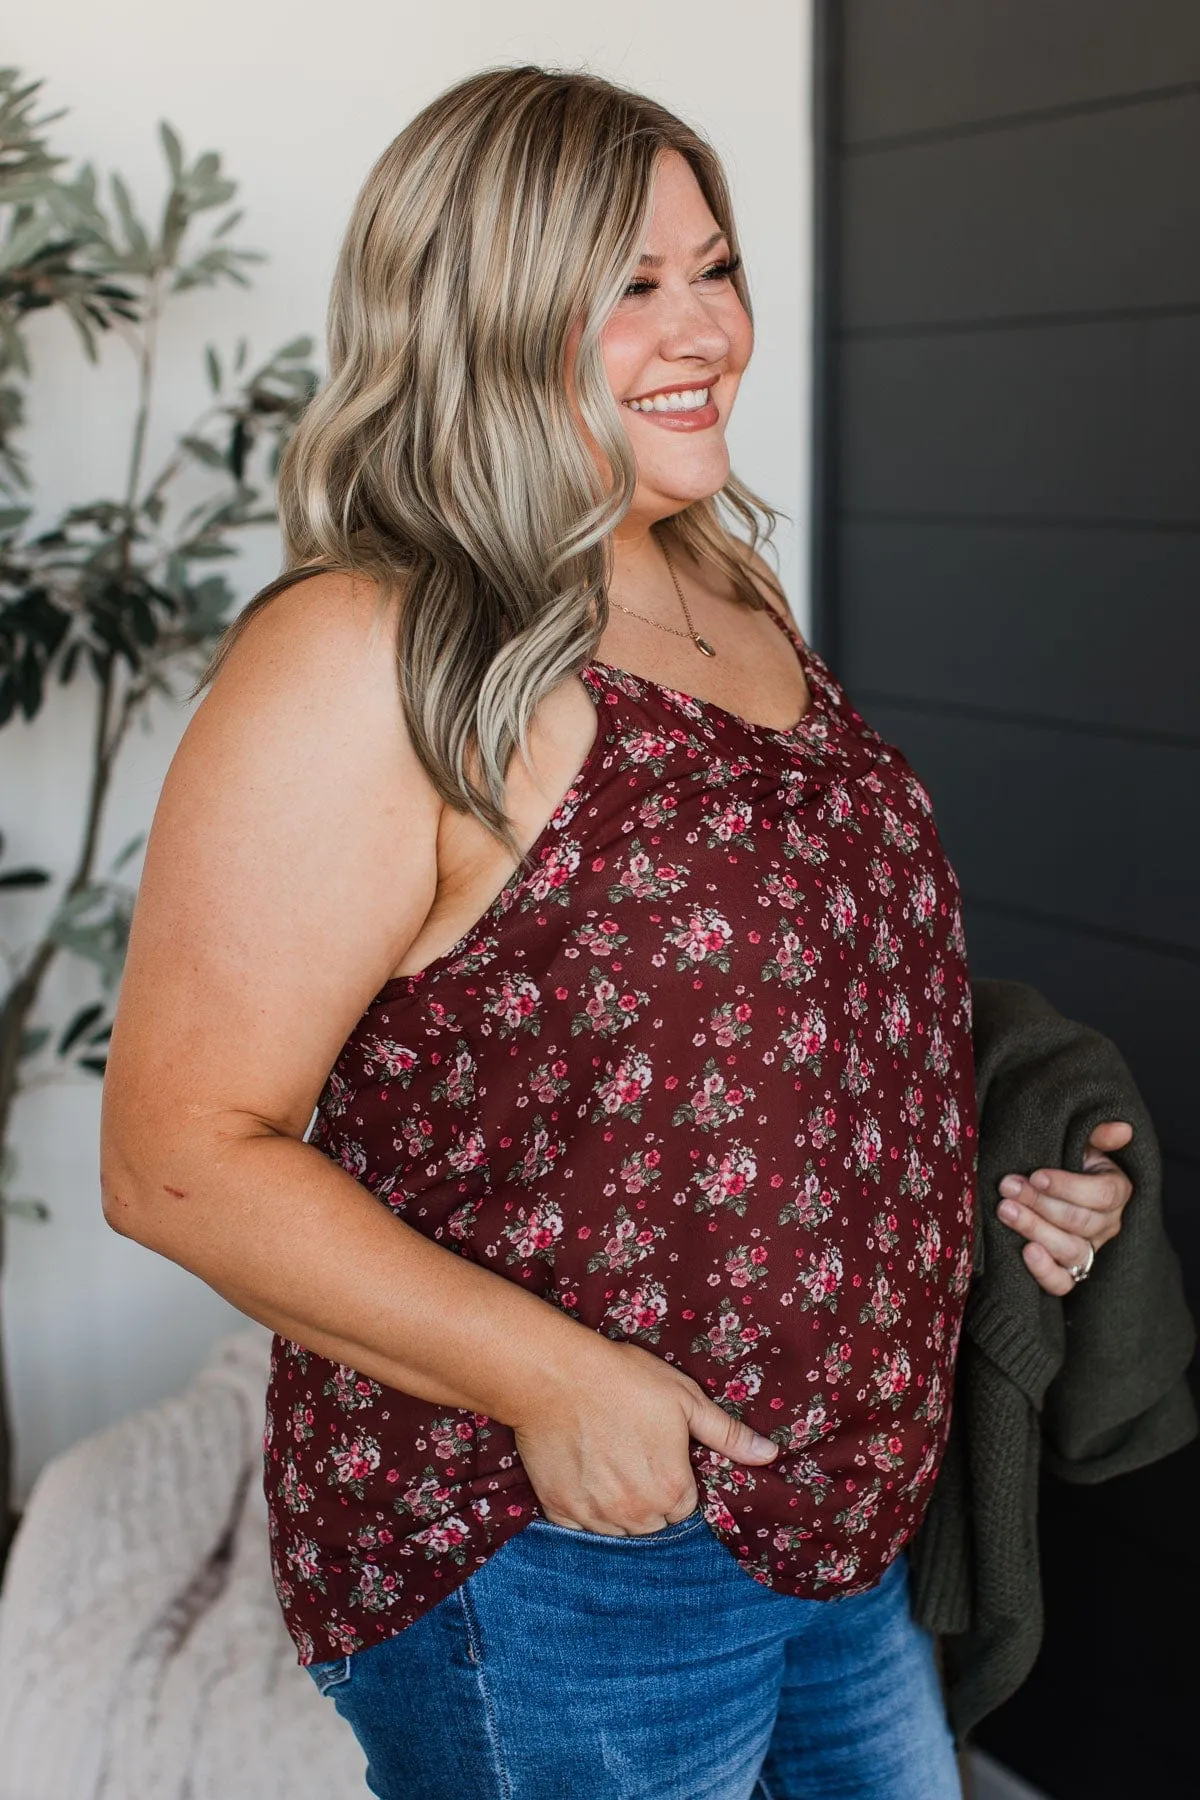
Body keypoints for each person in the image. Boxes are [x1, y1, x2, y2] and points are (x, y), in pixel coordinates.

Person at [99, 66, 1137, 1800]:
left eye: (714, 267)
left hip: (848, 1519)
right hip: (569, 1550)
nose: (706, 329)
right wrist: (561, 1385)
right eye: (628, 288)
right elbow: (177, 1155)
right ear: (482, 322)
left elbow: (786, 1011)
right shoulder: (369, 649)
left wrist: (998, 1165)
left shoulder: (726, 583)